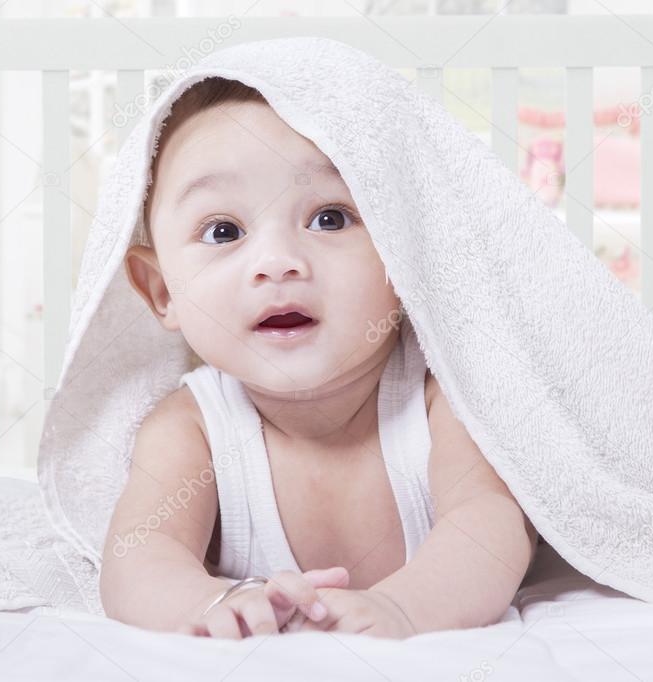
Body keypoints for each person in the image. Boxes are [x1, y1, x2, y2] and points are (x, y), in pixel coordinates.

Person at [98, 76, 539, 640]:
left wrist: (404, 610)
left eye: (329, 218)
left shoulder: (439, 402)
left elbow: (493, 528)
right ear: (162, 291)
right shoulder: (192, 429)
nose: (278, 262)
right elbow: (139, 553)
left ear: (402, 250)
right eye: (224, 230)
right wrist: (209, 603)